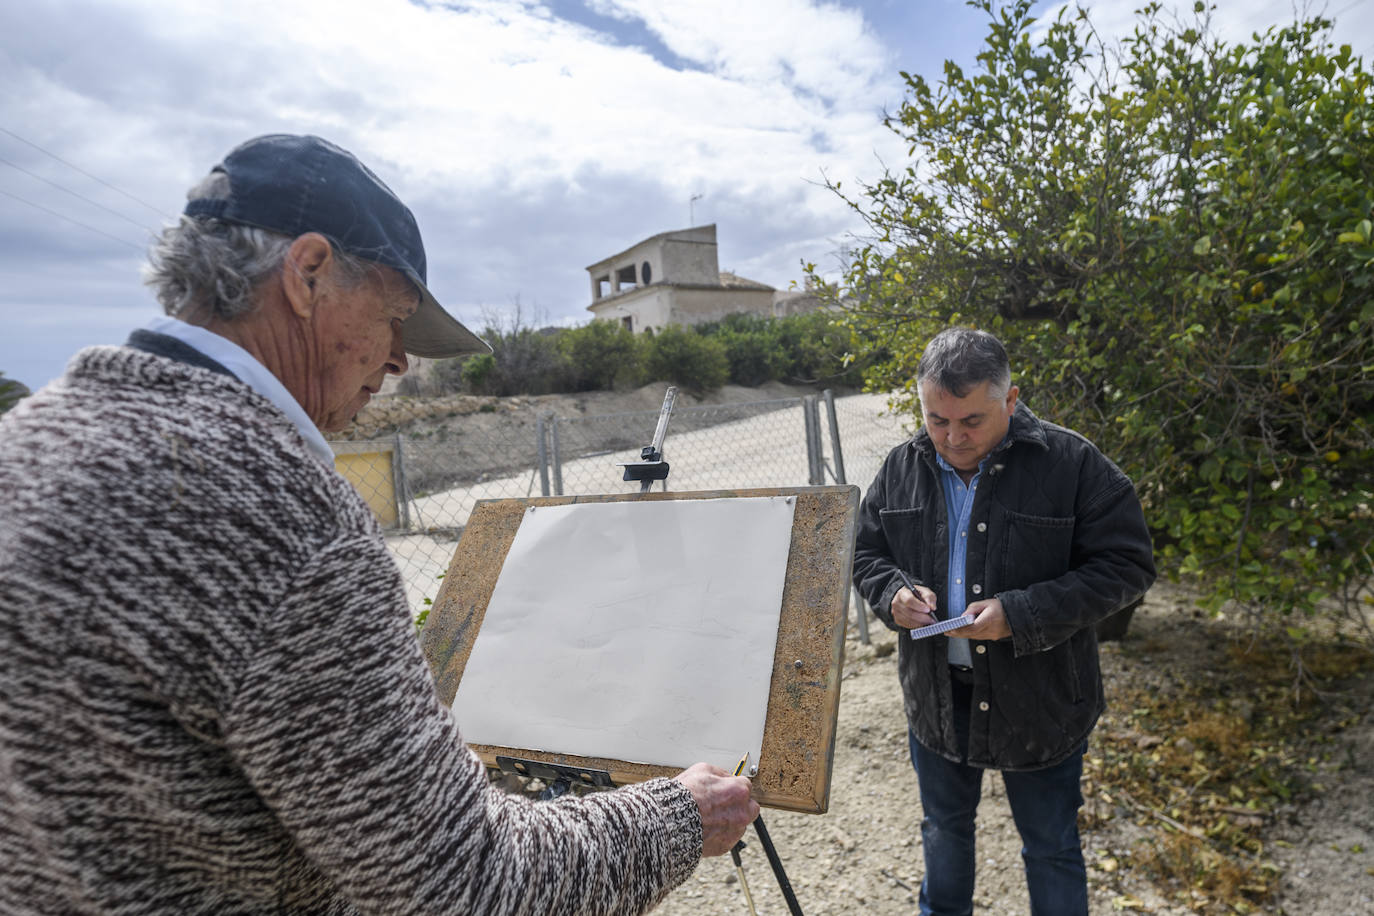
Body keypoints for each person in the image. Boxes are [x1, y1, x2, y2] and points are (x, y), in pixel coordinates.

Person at [0, 134, 758, 915]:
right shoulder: (278, 510)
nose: (399, 360)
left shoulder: (27, 441)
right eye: (395, 315)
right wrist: (675, 816)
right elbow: (464, 886)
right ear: (309, 272)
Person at [852, 327, 1155, 916]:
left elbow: (1128, 565)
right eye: (937, 420)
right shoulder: (900, 466)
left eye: (971, 421)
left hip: (1041, 703)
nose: (952, 437)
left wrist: (1019, 615)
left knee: (1051, 849)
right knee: (943, 832)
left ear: (1011, 401)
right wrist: (892, 593)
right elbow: (865, 554)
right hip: (937, 701)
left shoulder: (1073, 463)